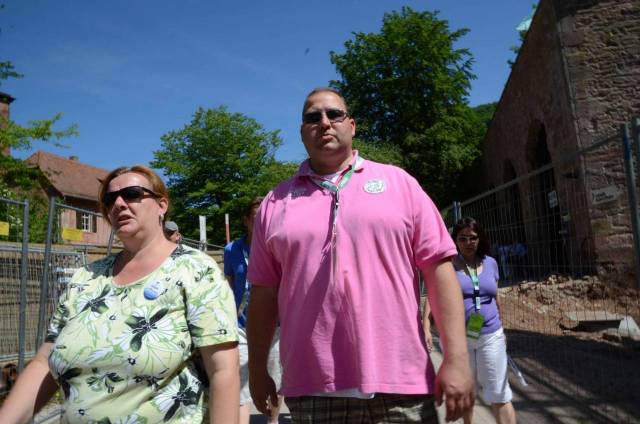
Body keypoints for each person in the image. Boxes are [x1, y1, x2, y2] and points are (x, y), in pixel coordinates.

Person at [246, 87, 474, 423]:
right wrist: (256, 369)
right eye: (313, 117)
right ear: (302, 131)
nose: (324, 123)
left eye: (334, 114)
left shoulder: (400, 184)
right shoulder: (275, 203)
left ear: (351, 125)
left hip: (402, 383)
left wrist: (457, 359)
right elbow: (263, 295)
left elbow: (439, 271)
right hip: (314, 389)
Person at [0, 165, 240, 424]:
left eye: (132, 193)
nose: (118, 204)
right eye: (110, 199)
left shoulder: (195, 270)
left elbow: (223, 371)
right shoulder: (86, 278)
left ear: (161, 205)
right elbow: (43, 362)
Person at [451, 217, 517, 424]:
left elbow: (495, 296)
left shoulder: (491, 263)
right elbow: (436, 298)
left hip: (491, 334)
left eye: (473, 237)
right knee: (466, 391)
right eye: (462, 238)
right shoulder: (449, 265)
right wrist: (428, 327)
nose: (468, 242)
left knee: (499, 393)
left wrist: (503, 329)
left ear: (480, 239)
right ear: (455, 240)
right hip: (461, 339)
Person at [224, 196, 283, 424]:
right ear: (246, 221)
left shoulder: (279, 246)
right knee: (239, 379)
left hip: (275, 325)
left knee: (275, 375)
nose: (261, 223)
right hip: (241, 325)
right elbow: (230, 285)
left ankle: (273, 421)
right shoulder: (232, 250)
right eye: (256, 218)